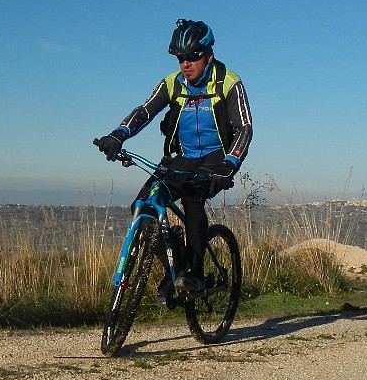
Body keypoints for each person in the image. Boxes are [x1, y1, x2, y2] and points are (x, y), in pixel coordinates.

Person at [95, 19, 252, 303]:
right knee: (143, 205)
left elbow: (244, 129)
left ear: (208, 55)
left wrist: (230, 163)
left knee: (192, 202)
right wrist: (118, 135)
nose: (186, 64)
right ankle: (175, 266)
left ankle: (193, 270)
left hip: (216, 159)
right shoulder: (173, 83)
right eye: (181, 58)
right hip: (182, 158)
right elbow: (145, 111)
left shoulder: (229, 83)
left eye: (193, 56)